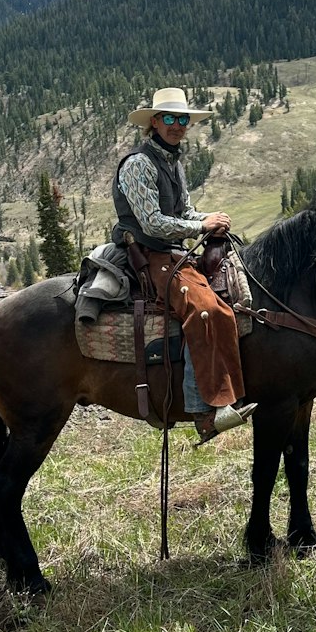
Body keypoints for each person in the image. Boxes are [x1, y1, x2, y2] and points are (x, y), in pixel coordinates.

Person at [113, 86, 256, 440]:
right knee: (204, 309)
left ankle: (230, 400)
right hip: (149, 253)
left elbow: (184, 211)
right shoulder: (138, 164)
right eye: (171, 119)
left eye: (183, 120)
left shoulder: (172, 163)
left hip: (172, 251)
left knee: (223, 308)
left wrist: (209, 218)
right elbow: (151, 222)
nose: (178, 126)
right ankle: (202, 412)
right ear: (155, 123)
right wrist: (200, 226)